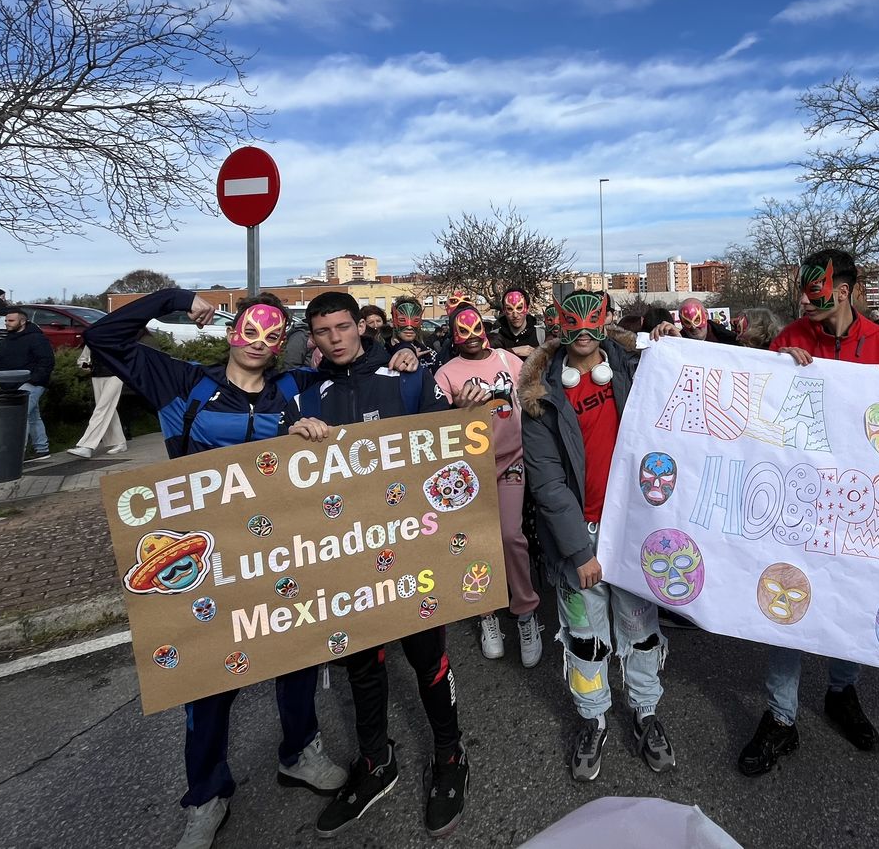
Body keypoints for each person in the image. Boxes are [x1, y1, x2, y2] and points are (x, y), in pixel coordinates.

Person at [84, 288, 351, 849]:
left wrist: (322, 427)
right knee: (207, 679)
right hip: (202, 560)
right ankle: (206, 795)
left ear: (284, 342)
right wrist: (178, 299)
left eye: (271, 333)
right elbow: (101, 336)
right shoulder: (182, 383)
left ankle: (300, 751)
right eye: (249, 329)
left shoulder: (295, 389)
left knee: (297, 655)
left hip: (279, 552)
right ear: (232, 330)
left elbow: (362, 386)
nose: (258, 342)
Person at [292, 292, 470, 839]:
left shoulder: (406, 376)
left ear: (360, 327)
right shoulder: (302, 394)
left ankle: (449, 754)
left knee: (427, 657)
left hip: (410, 548)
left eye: (344, 327)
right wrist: (292, 436)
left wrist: (462, 412)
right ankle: (376, 762)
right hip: (348, 556)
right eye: (323, 332)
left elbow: (446, 445)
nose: (336, 339)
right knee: (362, 666)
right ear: (313, 338)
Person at [738, 249, 879, 777]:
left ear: (849, 289)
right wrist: (777, 370)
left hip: (858, 503)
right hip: (800, 500)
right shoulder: (789, 339)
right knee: (789, 598)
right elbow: (759, 414)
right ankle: (781, 715)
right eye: (802, 291)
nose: (806, 301)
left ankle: (842, 690)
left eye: (818, 290)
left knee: (850, 597)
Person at [520, 290, 675, 781]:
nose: (584, 331)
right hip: (580, 537)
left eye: (593, 322)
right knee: (586, 639)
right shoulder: (540, 394)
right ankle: (594, 719)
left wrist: (677, 343)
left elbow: (693, 382)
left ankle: (646, 712)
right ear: (559, 325)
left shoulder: (633, 369)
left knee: (641, 630)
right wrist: (578, 549)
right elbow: (545, 482)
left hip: (631, 528)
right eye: (574, 323)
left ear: (605, 322)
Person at [434, 302, 543, 667]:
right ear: (452, 335)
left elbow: (532, 394)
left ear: (484, 326)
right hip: (469, 472)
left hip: (512, 460)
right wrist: (456, 413)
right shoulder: (445, 374)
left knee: (511, 535)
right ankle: (486, 613)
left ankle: (525, 611)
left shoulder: (507, 360)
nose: (470, 336)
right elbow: (436, 428)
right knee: (477, 542)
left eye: (474, 327)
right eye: (461, 330)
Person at [0, 306, 55, 460]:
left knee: (19, 416)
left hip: (32, 383)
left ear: (22, 321)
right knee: (32, 416)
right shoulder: (5, 341)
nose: (7, 323)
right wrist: (4, 382)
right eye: (6, 320)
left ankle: (16, 455)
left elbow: (47, 360)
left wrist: (35, 379)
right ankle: (41, 449)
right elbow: (1, 362)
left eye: (11, 320)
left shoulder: (37, 338)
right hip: (13, 384)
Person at [66, 342, 128, 458]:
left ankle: (87, 445)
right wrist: (90, 367)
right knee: (108, 409)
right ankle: (120, 442)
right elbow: (82, 361)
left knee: (102, 409)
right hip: (97, 376)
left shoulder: (119, 338)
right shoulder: (92, 340)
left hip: (116, 376)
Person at [491, 286, 545, 359]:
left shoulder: (542, 336)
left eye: (519, 308)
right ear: (504, 310)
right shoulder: (494, 337)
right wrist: (512, 351)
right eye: (509, 309)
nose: (515, 315)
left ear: (528, 308)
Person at [390, 296, 439, 368]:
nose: (409, 327)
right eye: (402, 320)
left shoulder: (430, 354)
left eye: (416, 321)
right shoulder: (382, 352)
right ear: (393, 321)